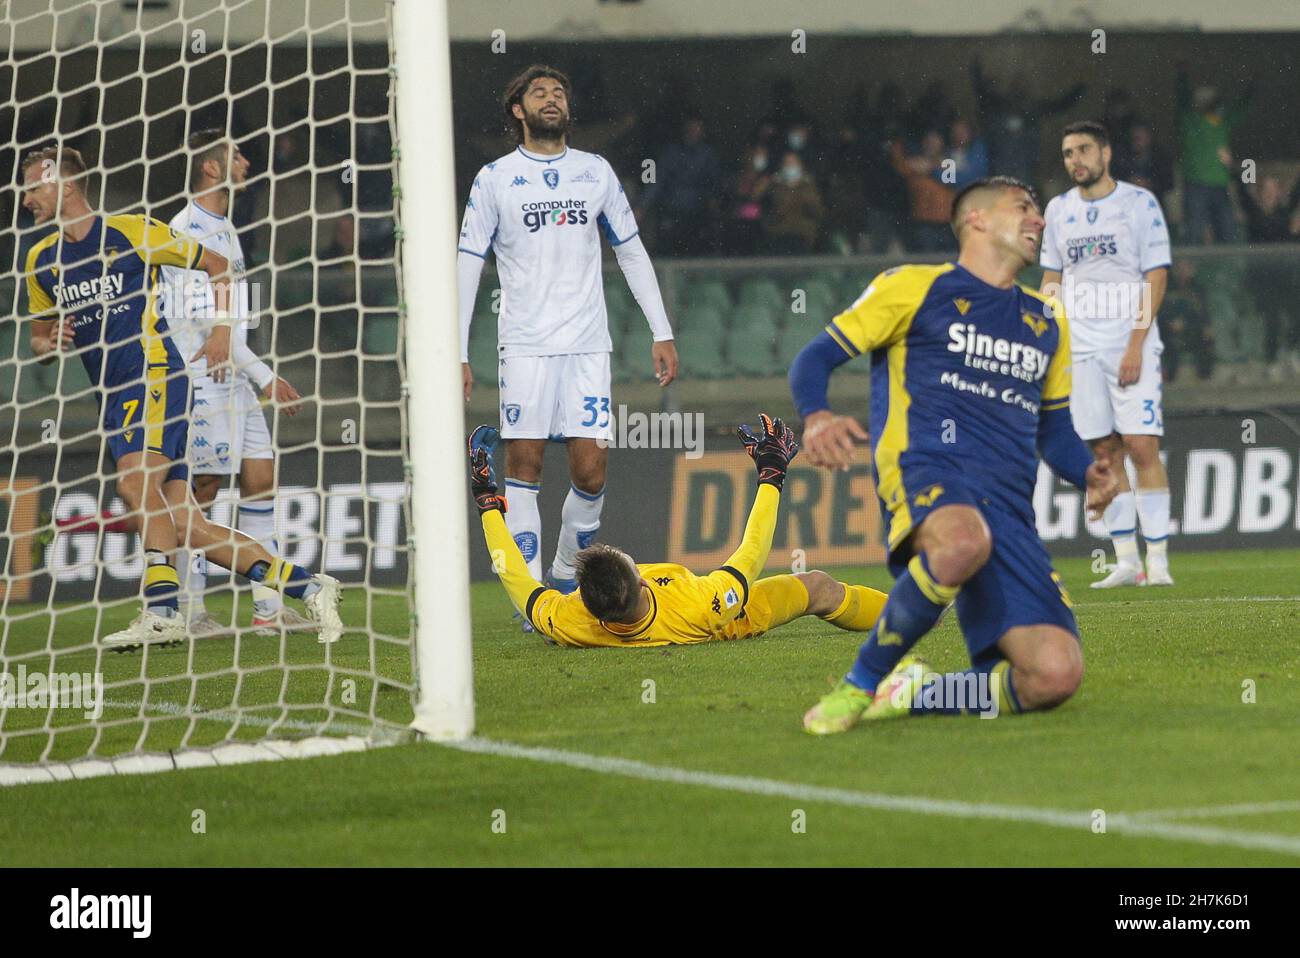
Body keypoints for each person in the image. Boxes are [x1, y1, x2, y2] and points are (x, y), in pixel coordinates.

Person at [789, 175, 1118, 733]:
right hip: (928, 469)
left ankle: (914, 694)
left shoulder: (1048, 323)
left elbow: (1055, 430)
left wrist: (1089, 471)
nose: (1039, 220)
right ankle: (857, 685)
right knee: (963, 539)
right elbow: (815, 357)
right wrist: (817, 415)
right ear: (978, 220)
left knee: (1053, 676)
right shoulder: (912, 286)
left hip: (1010, 507)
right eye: (1024, 208)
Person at [21, 145, 342, 648]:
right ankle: (308, 585)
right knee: (186, 523)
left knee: (133, 487)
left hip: (154, 375)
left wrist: (219, 330)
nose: (25, 200)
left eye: (33, 187)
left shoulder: (132, 231)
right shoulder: (40, 260)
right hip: (113, 394)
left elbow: (217, 267)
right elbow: (39, 338)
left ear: (64, 184)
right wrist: (49, 342)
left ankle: (163, 611)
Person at [458, 65, 679, 629]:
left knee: (591, 474)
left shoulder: (594, 172)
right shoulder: (495, 179)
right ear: (518, 110)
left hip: (586, 346)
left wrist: (662, 329)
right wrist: (457, 350)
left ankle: (561, 575)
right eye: (539, 92)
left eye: (560, 92)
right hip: (525, 345)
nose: (552, 99)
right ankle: (532, 601)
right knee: (524, 464)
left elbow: (630, 250)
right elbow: (467, 264)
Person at [468, 416, 887, 647]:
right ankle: (913, 614)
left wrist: (488, 502)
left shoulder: (568, 619)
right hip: (732, 620)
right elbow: (750, 554)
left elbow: (516, 578)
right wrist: (772, 475)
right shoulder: (697, 604)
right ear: (642, 582)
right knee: (817, 587)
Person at [160, 130, 310, 636]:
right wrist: (266, 375)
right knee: (201, 490)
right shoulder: (185, 227)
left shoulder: (224, 225)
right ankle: (191, 609)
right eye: (235, 154)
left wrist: (255, 375)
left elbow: (231, 322)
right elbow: (205, 323)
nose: (245, 161)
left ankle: (268, 610)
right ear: (209, 166)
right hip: (202, 376)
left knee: (260, 479)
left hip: (236, 376)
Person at [1040, 121, 1174, 588]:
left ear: (1106, 153)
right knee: (1102, 450)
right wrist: (1047, 334)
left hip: (1128, 340)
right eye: (1067, 152)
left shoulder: (1139, 204)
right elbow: (1051, 281)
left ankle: (1157, 561)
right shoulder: (1057, 210)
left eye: (1082, 149)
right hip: (1079, 346)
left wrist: (1137, 341)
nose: (1075, 159)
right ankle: (1126, 561)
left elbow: (1156, 276)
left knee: (1141, 445)